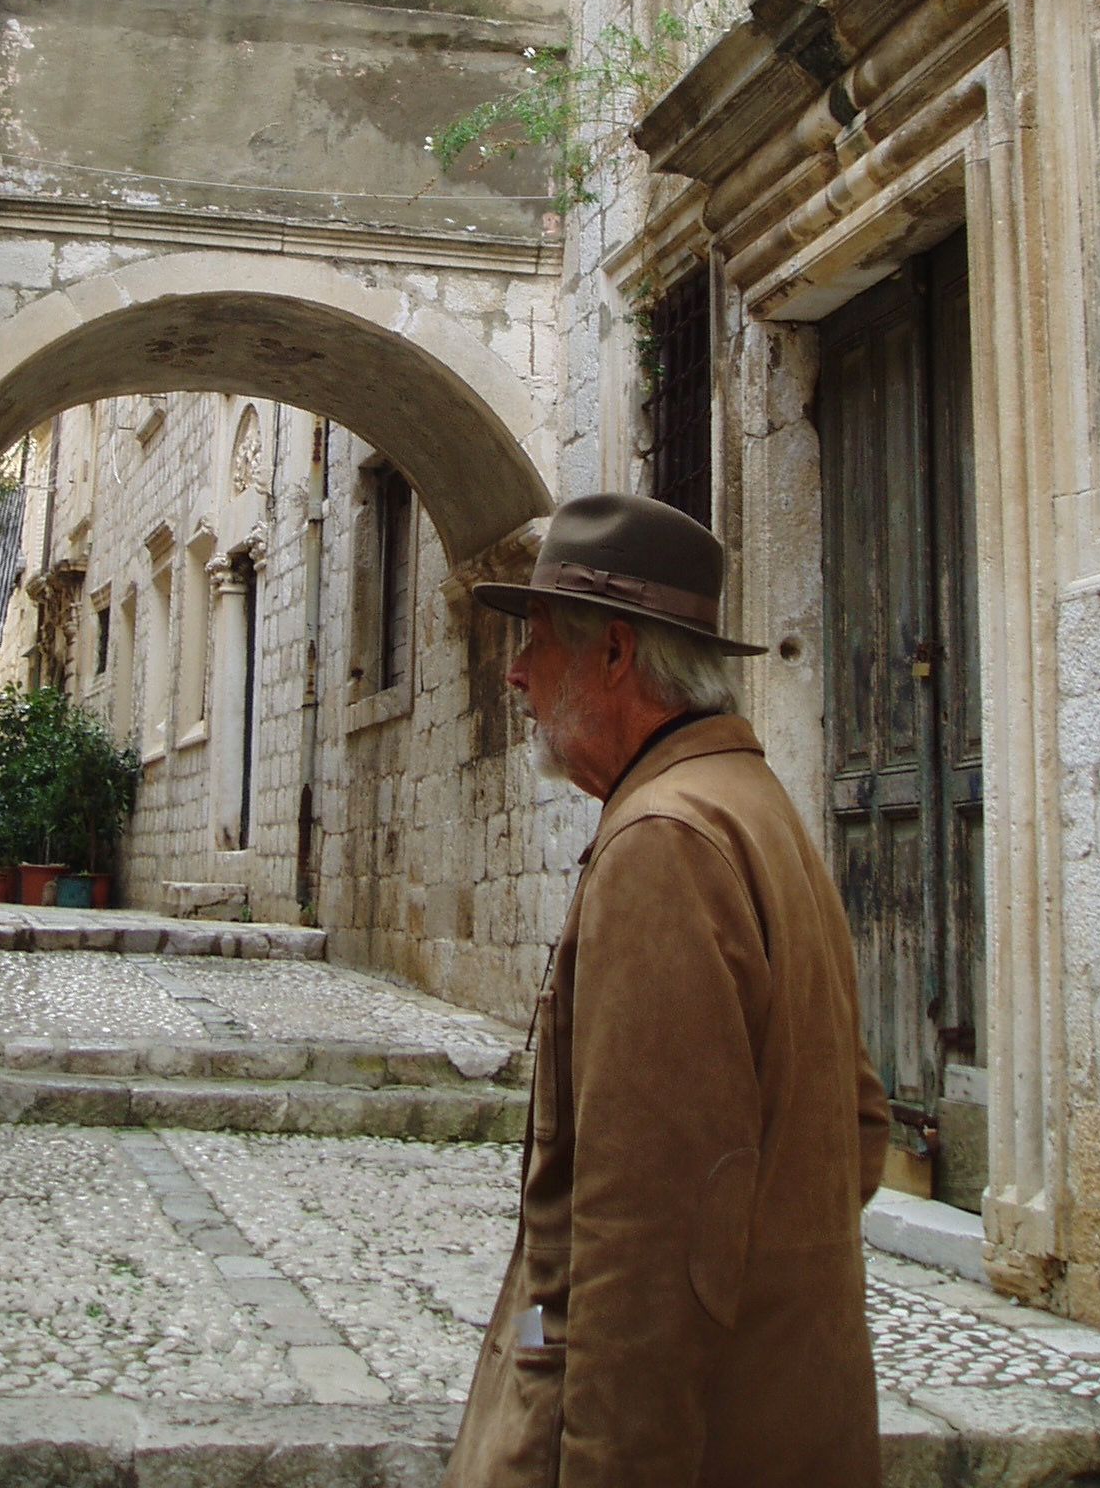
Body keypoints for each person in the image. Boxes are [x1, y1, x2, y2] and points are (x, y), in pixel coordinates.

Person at [444, 493, 889, 1488]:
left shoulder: (665, 845)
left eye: (537, 638)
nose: (514, 671)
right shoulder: (753, 807)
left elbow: (640, 1262)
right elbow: (858, 1131)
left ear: (613, 654)